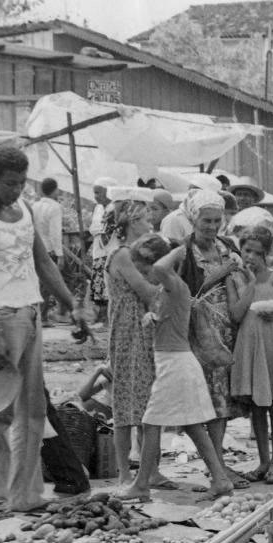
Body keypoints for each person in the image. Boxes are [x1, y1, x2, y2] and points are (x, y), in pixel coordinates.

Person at [0, 145, 87, 519]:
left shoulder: (24, 209)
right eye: (9, 183)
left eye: (20, 183)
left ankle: (25, 495)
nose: (15, 190)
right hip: (1, 317)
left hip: (31, 313)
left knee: (33, 411)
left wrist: (70, 303)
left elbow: (43, 261)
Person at [118, 236, 235, 501]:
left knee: (150, 423)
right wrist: (152, 318)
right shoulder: (164, 291)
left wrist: (180, 250)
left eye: (145, 269)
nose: (145, 275)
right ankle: (220, 478)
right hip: (173, 362)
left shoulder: (176, 285)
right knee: (193, 426)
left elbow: (161, 268)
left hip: (176, 364)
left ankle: (141, 484)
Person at [228, 225, 273, 482]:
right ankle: (262, 460)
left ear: (267, 253)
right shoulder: (235, 278)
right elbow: (236, 314)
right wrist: (249, 283)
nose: (251, 257)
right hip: (250, 343)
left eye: (257, 253)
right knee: (257, 406)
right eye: (247, 250)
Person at [177, 188, 243, 468]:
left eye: (217, 221)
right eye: (207, 221)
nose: (213, 227)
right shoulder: (183, 251)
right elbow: (185, 291)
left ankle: (218, 462)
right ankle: (216, 464)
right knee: (210, 398)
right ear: (194, 220)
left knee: (224, 400)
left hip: (230, 328)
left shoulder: (227, 245)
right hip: (202, 332)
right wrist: (224, 270)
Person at [101, 196, 160, 484]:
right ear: (134, 222)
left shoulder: (131, 253)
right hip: (128, 331)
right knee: (125, 404)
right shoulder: (123, 255)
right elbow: (147, 292)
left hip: (138, 329)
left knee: (144, 399)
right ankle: (125, 473)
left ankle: (151, 471)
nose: (151, 225)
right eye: (147, 219)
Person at [30, 177, 65, 324]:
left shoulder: (34, 206)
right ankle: (43, 317)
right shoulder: (55, 207)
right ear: (55, 190)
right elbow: (55, 233)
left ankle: (38, 315)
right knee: (47, 283)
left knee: (36, 283)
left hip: (34, 247)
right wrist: (60, 255)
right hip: (48, 249)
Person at [86, 176, 117, 323]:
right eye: (95, 193)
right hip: (99, 250)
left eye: (98, 192)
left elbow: (107, 231)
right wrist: (100, 230)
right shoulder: (98, 208)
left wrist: (100, 230)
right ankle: (101, 314)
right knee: (98, 282)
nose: (96, 196)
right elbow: (94, 229)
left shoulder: (115, 208)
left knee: (108, 283)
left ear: (109, 192)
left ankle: (108, 316)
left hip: (111, 250)